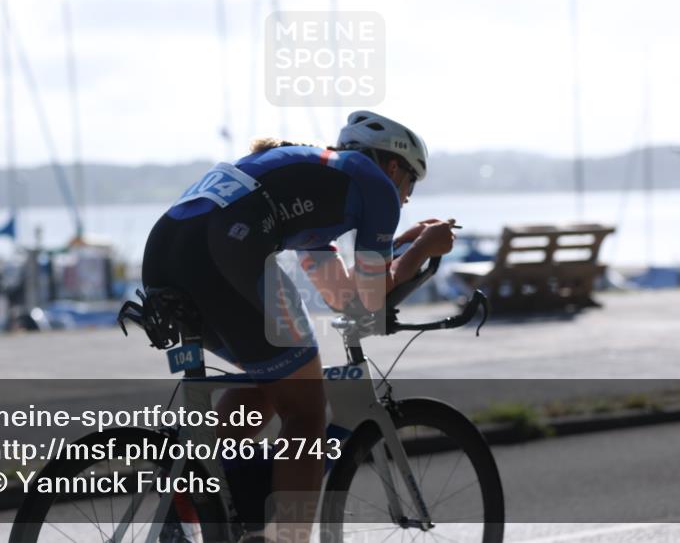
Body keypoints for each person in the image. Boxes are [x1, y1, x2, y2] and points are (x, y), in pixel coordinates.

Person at [141, 110, 455, 542]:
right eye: (410, 186)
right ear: (394, 166)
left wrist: (401, 246)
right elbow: (371, 296)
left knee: (275, 380)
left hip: (166, 250)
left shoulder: (315, 187)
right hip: (225, 246)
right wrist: (424, 247)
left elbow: (343, 296)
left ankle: (188, 483)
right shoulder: (375, 183)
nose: (405, 200)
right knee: (307, 410)